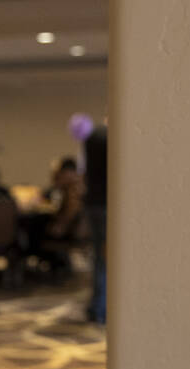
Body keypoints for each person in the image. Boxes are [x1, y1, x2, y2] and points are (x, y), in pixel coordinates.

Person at [84, 123, 107, 323]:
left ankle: (97, 306)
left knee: (100, 257)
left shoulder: (93, 137)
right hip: (108, 206)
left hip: (94, 204)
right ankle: (101, 308)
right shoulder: (110, 137)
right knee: (106, 258)